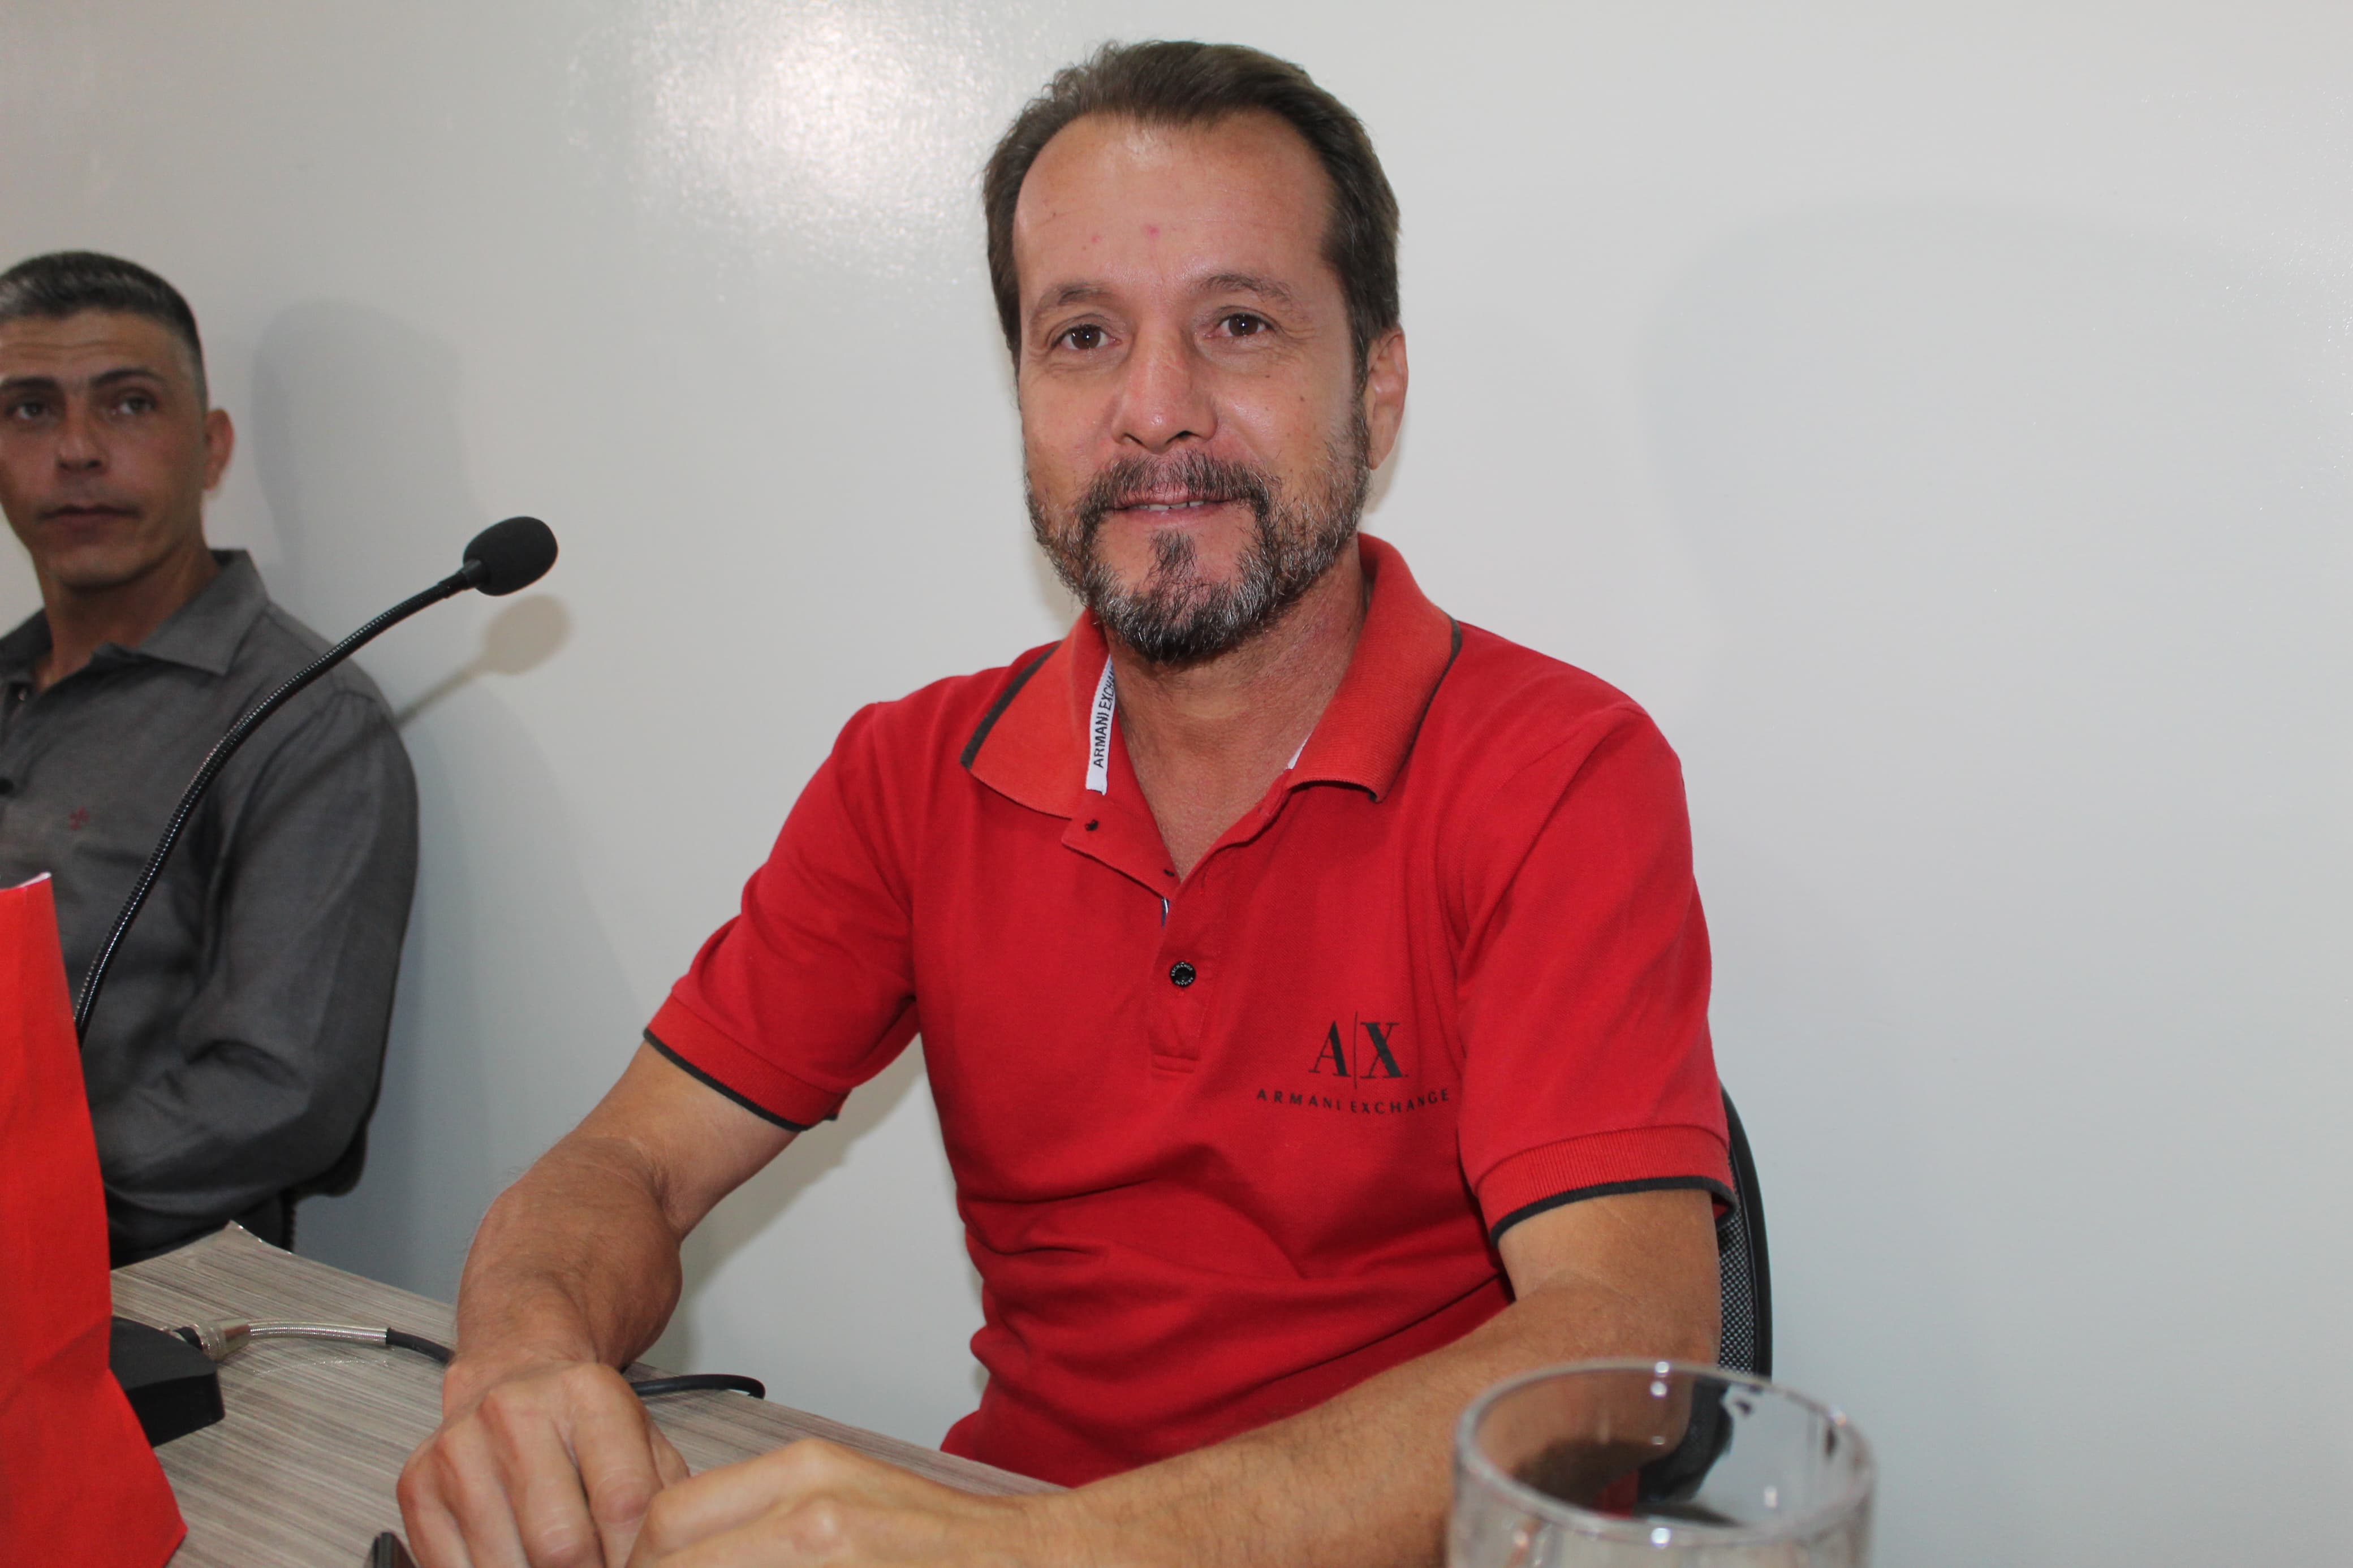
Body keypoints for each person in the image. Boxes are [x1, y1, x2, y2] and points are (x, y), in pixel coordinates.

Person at [400, 41, 1731, 1568]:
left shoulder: (1557, 769)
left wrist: (1043, 1555)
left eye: (1238, 324)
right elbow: (620, 1165)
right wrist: (523, 1360)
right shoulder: (912, 774)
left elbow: (1623, 1341)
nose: (1155, 411)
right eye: (1083, 335)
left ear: (1376, 382)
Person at [0, 251, 418, 1262]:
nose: (78, 450)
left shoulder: (303, 719)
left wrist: (23, 1190)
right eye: (30, 410)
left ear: (212, 446)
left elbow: (283, 1093)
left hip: (129, 1303)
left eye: (129, 404)